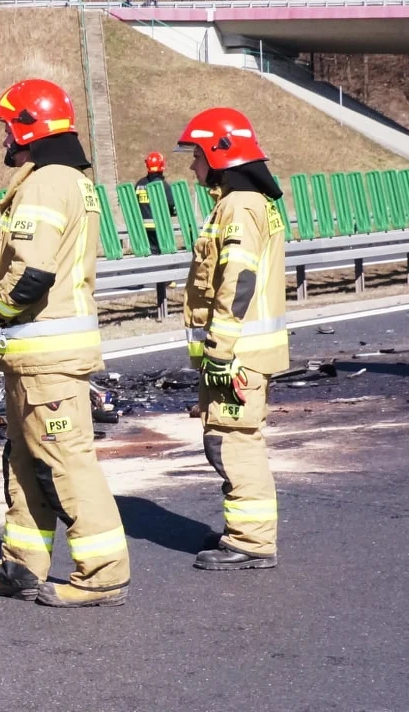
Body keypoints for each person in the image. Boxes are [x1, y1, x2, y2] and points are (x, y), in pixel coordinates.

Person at [0, 79, 130, 608]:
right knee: (24, 459)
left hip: (48, 358)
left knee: (64, 462)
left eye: (9, 128)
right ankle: (22, 565)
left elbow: (32, 273)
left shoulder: (44, 184)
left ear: (28, 128)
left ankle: (102, 574)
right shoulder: (68, 181)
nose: (5, 139)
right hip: (34, 357)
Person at [179, 108, 287, 571]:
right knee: (235, 438)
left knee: (232, 442)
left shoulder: (238, 206)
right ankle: (245, 534)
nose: (192, 166)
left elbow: (237, 279)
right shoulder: (249, 202)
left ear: (218, 153)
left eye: (196, 155)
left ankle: (251, 542)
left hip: (237, 353)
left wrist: (219, 349)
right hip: (244, 350)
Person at [134, 151, 178, 255]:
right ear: (162, 166)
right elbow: (172, 207)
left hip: (143, 229)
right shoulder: (163, 186)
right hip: (161, 229)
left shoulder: (139, 184)